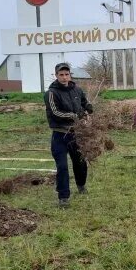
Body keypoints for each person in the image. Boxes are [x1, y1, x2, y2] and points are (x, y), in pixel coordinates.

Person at [44, 63, 93, 208]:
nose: (64, 77)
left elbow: (84, 103)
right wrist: (73, 115)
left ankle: (81, 185)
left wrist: (88, 108)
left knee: (80, 162)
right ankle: (63, 197)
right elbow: (55, 112)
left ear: (70, 74)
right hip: (59, 135)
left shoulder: (77, 89)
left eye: (66, 74)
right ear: (56, 75)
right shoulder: (51, 93)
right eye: (61, 75)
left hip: (76, 134)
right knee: (62, 166)